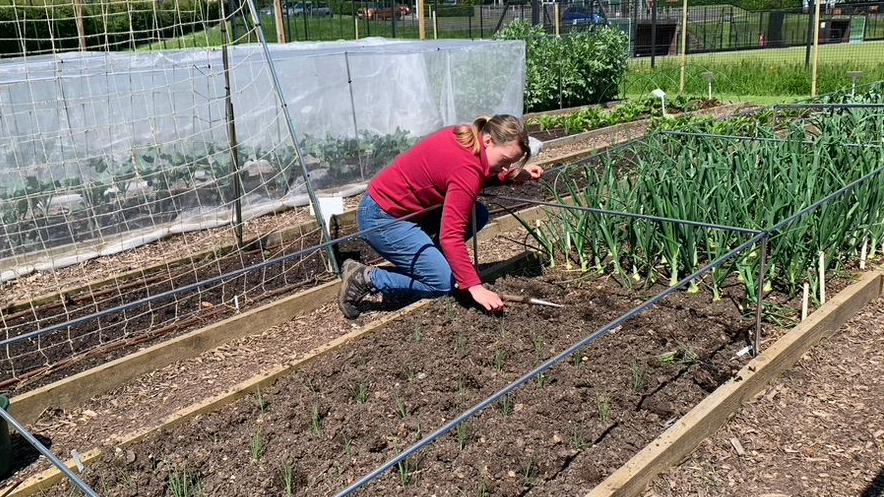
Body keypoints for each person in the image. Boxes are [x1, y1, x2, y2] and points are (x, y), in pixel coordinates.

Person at [337, 114, 544, 319]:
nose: (507, 167)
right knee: (443, 284)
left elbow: (474, 172)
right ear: (488, 141)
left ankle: (430, 265)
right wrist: (474, 286)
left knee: (477, 214)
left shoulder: (468, 137)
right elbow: (451, 235)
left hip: (403, 209)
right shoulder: (466, 168)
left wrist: (511, 175)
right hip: (383, 219)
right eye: (506, 161)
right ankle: (366, 278)